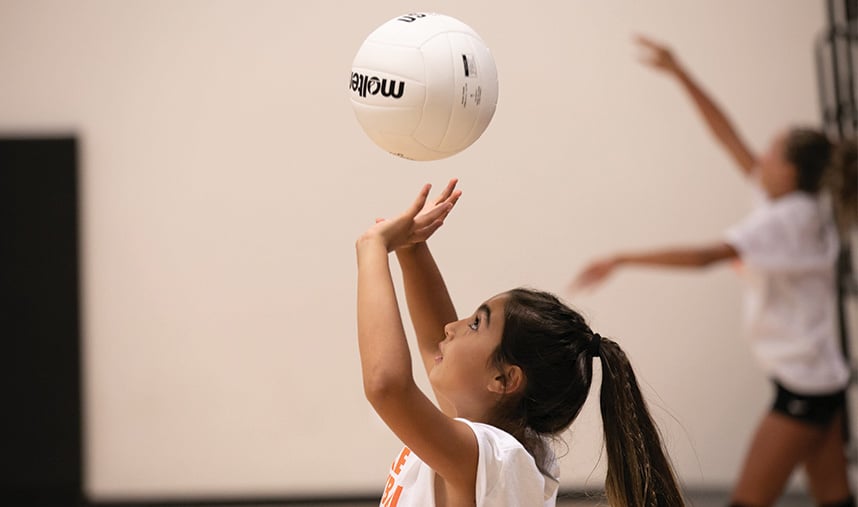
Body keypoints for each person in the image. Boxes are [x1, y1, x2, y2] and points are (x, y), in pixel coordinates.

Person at [572, 36, 857, 507]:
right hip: (819, 379)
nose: (760, 158)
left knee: (748, 500)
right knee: (834, 498)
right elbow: (727, 136)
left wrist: (622, 259)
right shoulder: (794, 204)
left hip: (805, 386)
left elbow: (706, 257)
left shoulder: (786, 221)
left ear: (790, 172)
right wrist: (679, 70)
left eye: (772, 152)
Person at [356, 179, 684, 507]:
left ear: (505, 379)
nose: (450, 328)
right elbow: (433, 344)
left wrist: (372, 248)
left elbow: (387, 385)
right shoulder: (495, 441)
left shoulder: (491, 457)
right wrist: (412, 248)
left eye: (474, 324)